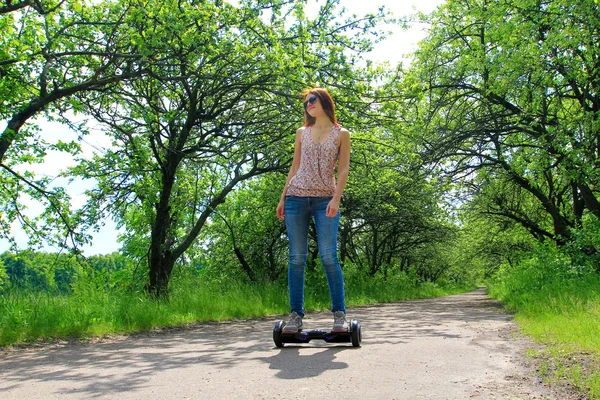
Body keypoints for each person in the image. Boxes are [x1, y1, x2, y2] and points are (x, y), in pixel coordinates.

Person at [276, 87, 351, 334]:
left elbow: (342, 170)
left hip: (325, 200)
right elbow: (294, 166)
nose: (308, 105)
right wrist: (282, 197)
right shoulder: (302, 133)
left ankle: (339, 315)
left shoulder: (342, 134)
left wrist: (336, 199)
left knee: (329, 256)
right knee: (297, 258)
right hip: (296, 198)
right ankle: (295, 316)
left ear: (324, 102)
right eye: (306, 102)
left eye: (312, 100)